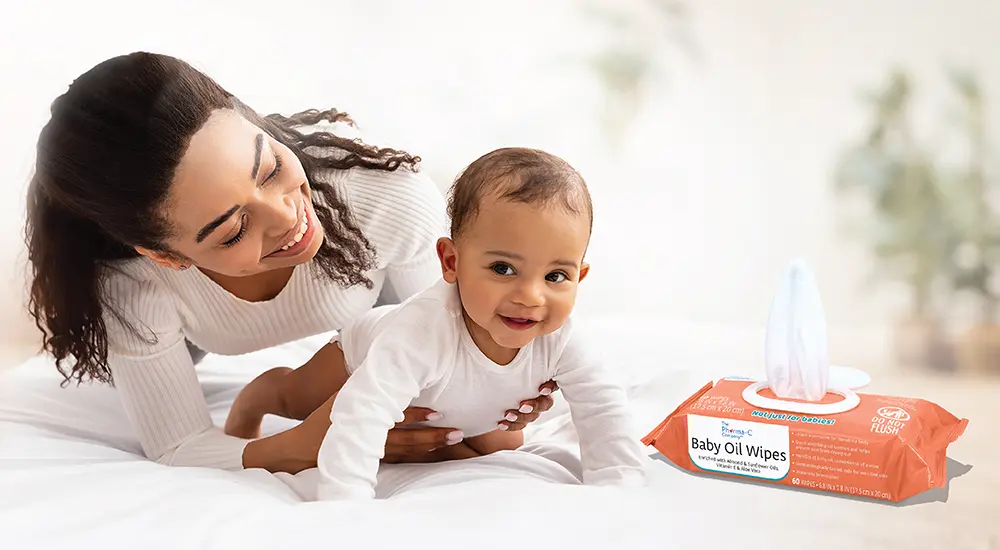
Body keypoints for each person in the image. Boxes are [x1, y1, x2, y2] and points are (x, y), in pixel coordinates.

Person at [23, 51, 556, 474]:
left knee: (489, 436)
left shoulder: (383, 197)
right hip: (190, 330)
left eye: (270, 165)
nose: (286, 218)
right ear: (166, 255)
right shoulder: (138, 288)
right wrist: (299, 444)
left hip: (378, 312)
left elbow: (451, 355)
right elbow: (178, 445)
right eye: (233, 230)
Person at [226, 147, 648, 500]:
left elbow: (603, 408)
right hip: (362, 356)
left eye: (556, 276)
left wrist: (620, 488)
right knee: (298, 399)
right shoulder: (421, 332)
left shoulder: (563, 336)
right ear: (451, 262)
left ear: (580, 276)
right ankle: (258, 394)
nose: (531, 296)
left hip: (458, 401)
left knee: (501, 443)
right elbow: (362, 412)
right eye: (503, 268)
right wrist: (345, 505)